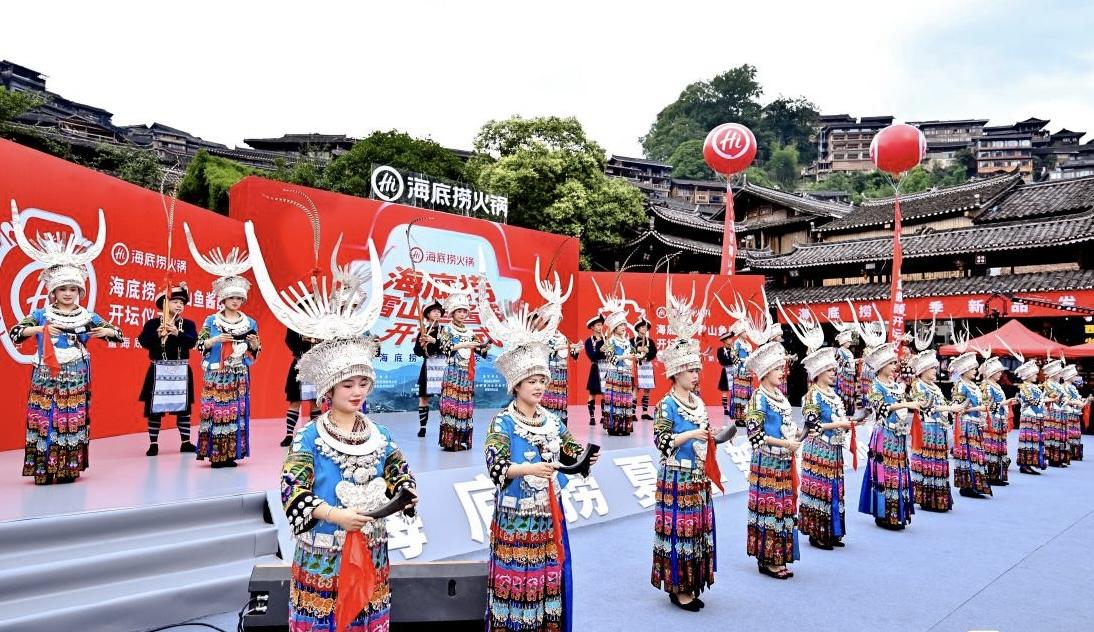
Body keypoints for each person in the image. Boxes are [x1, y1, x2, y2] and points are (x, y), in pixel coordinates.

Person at [251, 230, 419, 632]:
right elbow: (292, 492)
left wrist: (406, 493)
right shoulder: (309, 435)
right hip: (323, 554)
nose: (358, 392)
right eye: (348, 385)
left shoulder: (380, 434)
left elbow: (399, 471)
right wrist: (336, 515)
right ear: (329, 389)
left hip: (371, 549)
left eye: (363, 384)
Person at [482, 301, 598, 631]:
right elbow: (496, 466)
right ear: (516, 385)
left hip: (549, 513)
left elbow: (570, 452)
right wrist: (528, 470)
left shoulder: (552, 421)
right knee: (515, 578)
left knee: (547, 575)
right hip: (516, 515)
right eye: (531, 381)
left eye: (542, 381)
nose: (538, 387)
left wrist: (586, 458)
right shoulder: (502, 422)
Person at [8, 205, 122, 484]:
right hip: (47, 374)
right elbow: (15, 332)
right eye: (63, 289)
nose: (68, 294)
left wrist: (103, 332)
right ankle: (43, 468)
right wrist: (42, 329)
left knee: (71, 416)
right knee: (45, 415)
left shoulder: (87, 315)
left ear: (80, 291)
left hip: (76, 373)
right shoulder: (41, 314)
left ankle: (68, 466)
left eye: (73, 289)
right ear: (53, 292)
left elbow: (117, 333)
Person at [651, 285, 717, 610]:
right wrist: (692, 435)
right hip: (676, 478)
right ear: (675, 373)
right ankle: (679, 586)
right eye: (691, 370)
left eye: (697, 370)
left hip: (696, 477)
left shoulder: (698, 402)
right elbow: (662, 442)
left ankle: (692, 580)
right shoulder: (666, 405)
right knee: (680, 531)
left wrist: (708, 436)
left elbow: (701, 433)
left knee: (697, 532)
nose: (696, 375)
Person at [744, 339, 801, 579]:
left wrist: (795, 433)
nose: (782, 373)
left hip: (783, 461)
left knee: (783, 507)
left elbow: (784, 425)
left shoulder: (779, 395)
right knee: (770, 508)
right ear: (766, 372)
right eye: (778, 368)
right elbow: (755, 436)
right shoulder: (759, 398)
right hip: (767, 462)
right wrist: (785, 443)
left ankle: (778, 555)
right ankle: (767, 559)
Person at [195, 275, 260, 468]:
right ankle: (215, 455)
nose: (235, 301)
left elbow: (255, 350)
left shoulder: (250, 322)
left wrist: (255, 346)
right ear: (223, 299)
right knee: (216, 411)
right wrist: (215, 341)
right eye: (231, 297)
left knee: (235, 412)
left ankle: (232, 453)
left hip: (238, 373)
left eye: (239, 298)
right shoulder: (212, 321)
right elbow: (200, 344)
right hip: (217, 374)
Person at [799, 347, 859, 550]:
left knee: (833, 488)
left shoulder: (832, 395)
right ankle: (818, 534)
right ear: (819, 373)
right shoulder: (812, 396)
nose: (835, 373)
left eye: (835, 370)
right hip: (818, 448)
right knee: (820, 490)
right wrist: (840, 424)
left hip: (834, 449)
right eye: (830, 370)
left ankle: (832, 532)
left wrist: (848, 422)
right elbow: (812, 424)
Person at [858, 341, 921, 530]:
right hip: (884, 435)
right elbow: (881, 408)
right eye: (892, 363)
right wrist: (906, 405)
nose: (896, 367)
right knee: (884, 474)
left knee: (899, 471)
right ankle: (884, 514)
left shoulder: (894, 386)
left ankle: (897, 513)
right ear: (882, 366)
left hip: (898, 435)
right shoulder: (875, 387)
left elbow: (904, 404)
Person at [137, 284, 198, 456]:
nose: (179, 305)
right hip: (158, 370)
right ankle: (153, 443)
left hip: (181, 369)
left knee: (184, 408)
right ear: (164, 303)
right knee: (154, 408)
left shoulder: (187, 324)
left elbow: (193, 342)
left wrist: (177, 334)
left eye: (182, 303)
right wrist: (157, 334)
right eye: (175, 301)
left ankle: (185, 442)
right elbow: (143, 342)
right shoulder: (153, 323)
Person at [907, 350, 963, 512]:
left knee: (938, 461)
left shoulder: (935, 387)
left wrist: (954, 406)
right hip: (926, 428)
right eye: (932, 368)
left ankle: (937, 498)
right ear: (923, 370)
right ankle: (927, 498)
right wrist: (951, 407)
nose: (934, 371)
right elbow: (926, 407)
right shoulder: (917, 385)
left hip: (939, 429)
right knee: (927, 461)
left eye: (934, 368)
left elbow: (943, 403)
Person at [437, 287, 488, 451]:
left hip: (466, 373)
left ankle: (463, 440)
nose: (462, 314)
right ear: (452, 313)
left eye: (464, 311)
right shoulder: (447, 329)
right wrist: (464, 344)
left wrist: (485, 346)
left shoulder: (470, 331)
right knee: (452, 405)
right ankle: (450, 441)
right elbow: (444, 348)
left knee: (465, 405)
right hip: (453, 372)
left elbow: (479, 349)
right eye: (458, 311)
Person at [950, 352, 993, 499]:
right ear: (964, 370)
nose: (975, 371)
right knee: (967, 454)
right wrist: (978, 409)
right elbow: (958, 408)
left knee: (975, 454)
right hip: (965, 425)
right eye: (973, 368)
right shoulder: (961, 386)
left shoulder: (973, 386)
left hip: (975, 424)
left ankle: (975, 484)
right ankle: (966, 486)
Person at [281, 315, 321, 447]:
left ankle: (317, 433)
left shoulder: (321, 323)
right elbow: (289, 341)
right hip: (299, 364)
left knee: (316, 401)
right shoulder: (294, 324)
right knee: (294, 400)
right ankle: (289, 435)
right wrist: (302, 339)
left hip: (317, 365)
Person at [601, 311, 637, 436]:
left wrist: (639, 355)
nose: (624, 327)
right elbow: (612, 359)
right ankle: (613, 427)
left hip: (626, 375)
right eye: (621, 325)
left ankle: (623, 427)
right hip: (615, 374)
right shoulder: (611, 341)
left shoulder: (627, 342)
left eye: (625, 325)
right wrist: (626, 356)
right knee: (614, 400)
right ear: (615, 327)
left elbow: (634, 355)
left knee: (625, 400)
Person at [412, 300, 445, 438]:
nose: (437, 313)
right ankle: (423, 427)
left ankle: (446, 426)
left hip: (443, 365)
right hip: (428, 366)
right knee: (424, 397)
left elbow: (447, 348)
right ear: (428, 314)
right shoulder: (423, 330)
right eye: (434, 311)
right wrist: (421, 344)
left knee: (446, 398)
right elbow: (417, 352)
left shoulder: (445, 330)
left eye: (439, 311)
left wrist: (434, 342)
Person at [979, 356, 1014, 486]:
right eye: (998, 372)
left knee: (998, 446)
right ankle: (989, 474)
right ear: (992, 372)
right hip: (991, 420)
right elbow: (987, 406)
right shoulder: (986, 386)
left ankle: (995, 475)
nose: (1001, 374)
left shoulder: (996, 385)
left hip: (998, 419)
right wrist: (1005, 402)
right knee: (990, 446)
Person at [1014, 355, 1048, 475]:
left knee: (1035, 439)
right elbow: (1032, 400)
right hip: (1029, 416)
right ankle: (1025, 464)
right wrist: (1046, 399)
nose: (1035, 376)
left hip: (1036, 415)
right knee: (1028, 440)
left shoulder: (1034, 386)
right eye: (1033, 374)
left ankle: (1031, 462)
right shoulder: (1024, 387)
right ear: (1028, 375)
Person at [1041, 359, 1070, 467]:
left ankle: (1058, 457)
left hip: (1060, 411)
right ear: (1053, 374)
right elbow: (1052, 398)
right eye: (1058, 373)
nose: (1060, 375)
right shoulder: (1048, 384)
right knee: (1053, 435)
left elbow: (1064, 396)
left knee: (1060, 434)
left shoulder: (1058, 384)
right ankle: (1052, 458)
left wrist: (1064, 399)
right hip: (1052, 413)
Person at [583, 315, 607, 425]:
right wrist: (600, 350)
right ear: (592, 327)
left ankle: (604, 416)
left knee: (605, 393)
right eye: (597, 325)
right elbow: (592, 356)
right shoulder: (589, 341)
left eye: (601, 325)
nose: (600, 327)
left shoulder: (606, 339)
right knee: (592, 392)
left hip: (605, 367)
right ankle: (592, 417)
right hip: (595, 367)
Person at [632, 317, 658, 420]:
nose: (644, 329)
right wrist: (637, 349)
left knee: (647, 389)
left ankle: (645, 412)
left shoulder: (650, 341)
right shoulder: (632, 341)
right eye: (642, 327)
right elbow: (629, 351)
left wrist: (648, 351)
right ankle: (633, 413)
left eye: (645, 327)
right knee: (636, 388)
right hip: (637, 366)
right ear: (638, 329)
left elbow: (654, 352)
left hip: (647, 367)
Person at [834, 329, 858, 418]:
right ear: (843, 342)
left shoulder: (848, 351)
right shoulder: (840, 350)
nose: (849, 343)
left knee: (850, 391)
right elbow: (839, 361)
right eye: (848, 342)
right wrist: (851, 362)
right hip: (843, 374)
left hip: (850, 374)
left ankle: (849, 410)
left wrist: (855, 362)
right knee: (843, 390)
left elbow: (850, 361)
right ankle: (843, 409)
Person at [716, 330, 736, 418]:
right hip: (726, 372)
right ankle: (725, 409)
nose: (731, 340)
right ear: (724, 341)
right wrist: (731, 361)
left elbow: (737, 360)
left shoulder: (734, 349)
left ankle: (734, 408)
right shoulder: (720, 350)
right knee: (725, 391)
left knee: (736, 391)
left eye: (731, 338)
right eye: (729, 339)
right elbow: (722, 361)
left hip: (735, 371)